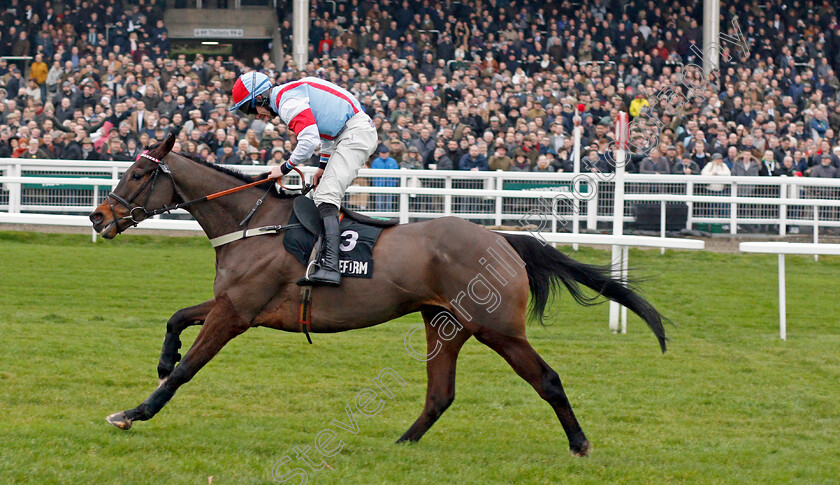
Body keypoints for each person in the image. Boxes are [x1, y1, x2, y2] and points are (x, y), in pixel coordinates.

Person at [229, 71, 377, 286]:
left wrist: (284, 167)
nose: (255, 116)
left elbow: (308, 141)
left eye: (250, 108)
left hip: (355, 133)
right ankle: (323, 258)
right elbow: (328, 133)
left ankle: (331, 267)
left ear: (260, 97)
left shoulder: (288, 102)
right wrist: (322, 166)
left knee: (327, 196)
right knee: (321, 196)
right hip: (347, 133)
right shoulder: (288, 96)